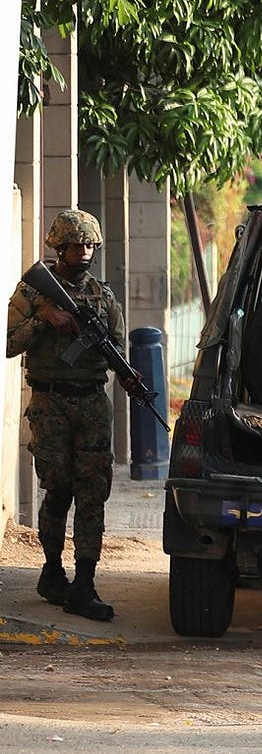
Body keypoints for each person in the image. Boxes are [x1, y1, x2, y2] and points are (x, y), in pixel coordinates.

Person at [6, 209, 135, 621]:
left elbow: (118, 350)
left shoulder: (103, 297)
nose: (84, 252)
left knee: (93, 492)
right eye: (76, 245)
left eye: (90, 245)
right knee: (58, 489)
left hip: (92, 403)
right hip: (50, 403)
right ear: (58, 248)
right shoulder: (32, 292)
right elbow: (9, 343)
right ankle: (52, 570)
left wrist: (129, 377)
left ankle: (84, 582)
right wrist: (44, 319)